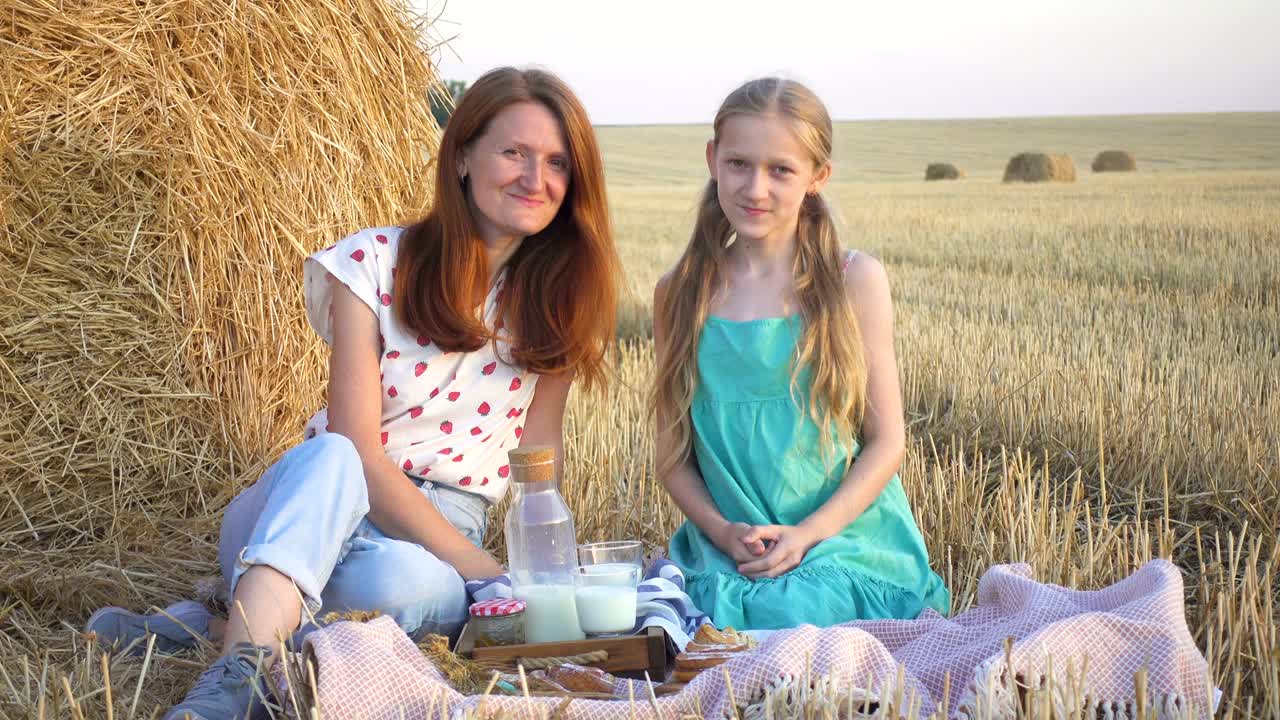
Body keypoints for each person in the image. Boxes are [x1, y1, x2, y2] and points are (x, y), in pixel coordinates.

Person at [86, 66, 620, 720]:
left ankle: (226, 619)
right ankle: (235, 680)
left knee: (404, 590)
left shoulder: (558, 304)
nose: (535, 179)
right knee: (338, 458)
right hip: (315, 496)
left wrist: (544, 584)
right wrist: (482, 571)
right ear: (461, 157)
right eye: (514, 152)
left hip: (431, 540)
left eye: (557, 163)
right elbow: (357, 452)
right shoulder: (371, 263)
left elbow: (539, 461)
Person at [652, 77, 949, 631]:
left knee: (803, 618)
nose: (755, 188)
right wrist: (719, 532)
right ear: (714, 159)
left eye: (780, 170)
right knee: (684, 627)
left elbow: (886, 443)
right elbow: (672, 455)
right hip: (726, 548)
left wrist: (809, 534)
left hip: (842, 540)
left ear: (817, 177)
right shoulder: (680, 292)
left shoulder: (852, 280)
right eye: (739, 163)